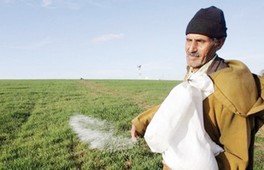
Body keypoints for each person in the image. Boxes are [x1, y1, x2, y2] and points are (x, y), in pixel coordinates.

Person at [130, 6, 264, 170]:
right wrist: (142, 121)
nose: (191, 48)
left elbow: (237, 158)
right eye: (188, 39)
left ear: (219, 43)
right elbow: (181, 103)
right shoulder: (199, 74)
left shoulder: (232, 93)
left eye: (200, 41)